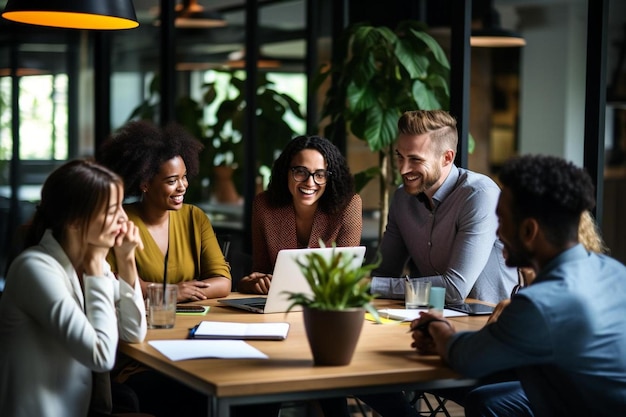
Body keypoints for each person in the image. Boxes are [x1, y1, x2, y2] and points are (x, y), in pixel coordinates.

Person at [411, 154, 626, 416]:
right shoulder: (616, 272)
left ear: (528, 231)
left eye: (501, 221)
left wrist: (437, 327)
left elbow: (468, 359)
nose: (498, 233)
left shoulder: (539, 304)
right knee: (488, 400)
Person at [0, 159, 147, 417]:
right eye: (113, 211)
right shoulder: (34, 268)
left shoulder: (88, 264)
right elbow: (101, 356)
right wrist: (96, 263)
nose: (124, 219)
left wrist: (126, 261)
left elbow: (133, 331)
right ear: (75, 221)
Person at [370, 110, 518, 305]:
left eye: (415, 159)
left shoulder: (479, 195)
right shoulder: (402, 199)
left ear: (447, 158)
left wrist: (373, 285)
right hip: (432, 316)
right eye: (400, 156)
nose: (403, 169)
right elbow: (383, 273)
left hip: (490, 321)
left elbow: (455, 289)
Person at [98, 120, 231, 302]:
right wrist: (172, 292)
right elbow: (111, 280)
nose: (182, 186)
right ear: (145, 183)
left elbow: (223, 282)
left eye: (184, 177)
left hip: (192, 318)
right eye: (171, 181)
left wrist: (159, 291)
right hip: (141, 320)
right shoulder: (120, 220)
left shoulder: (195, 217)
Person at [238, 134, 362, 294]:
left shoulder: (348, 206)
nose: (310, 183)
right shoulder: (264, 206)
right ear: (286, 172)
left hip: (326, 305)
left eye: (320, 174)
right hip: (278, 304)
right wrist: (257, 283)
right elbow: (260, 270)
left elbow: (346, 276)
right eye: (301, 172)